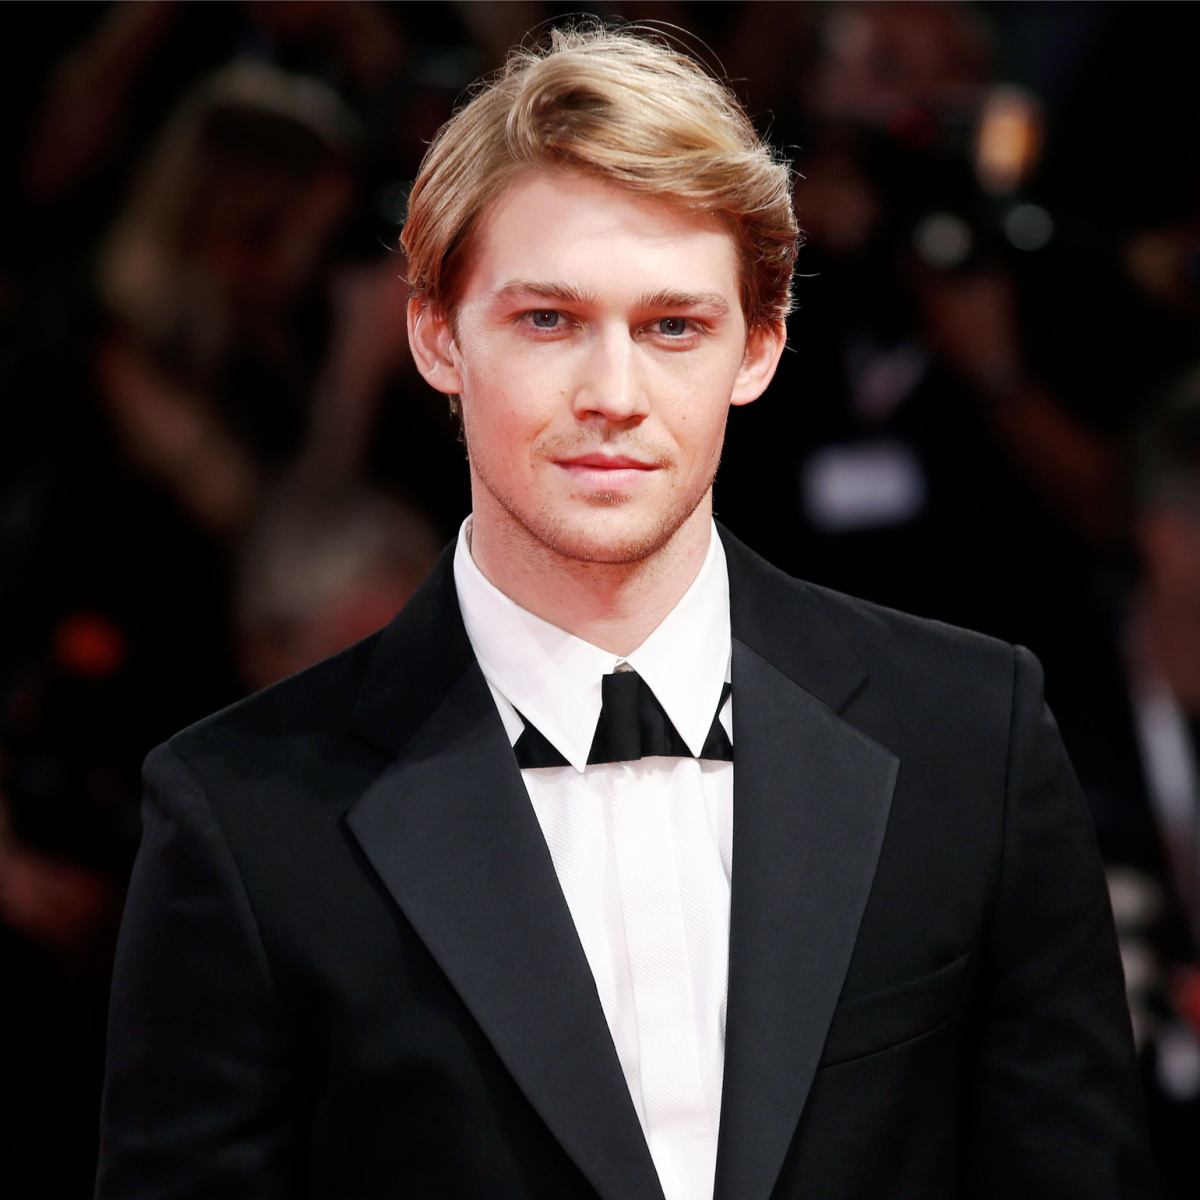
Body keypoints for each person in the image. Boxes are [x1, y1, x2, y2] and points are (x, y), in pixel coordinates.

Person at [96, 25, 1152, 1200]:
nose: (612, 396)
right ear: (438, 335)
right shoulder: (242, 818)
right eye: (548, 320)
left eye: (672, 327)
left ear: (759, 347)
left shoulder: (971, 737)